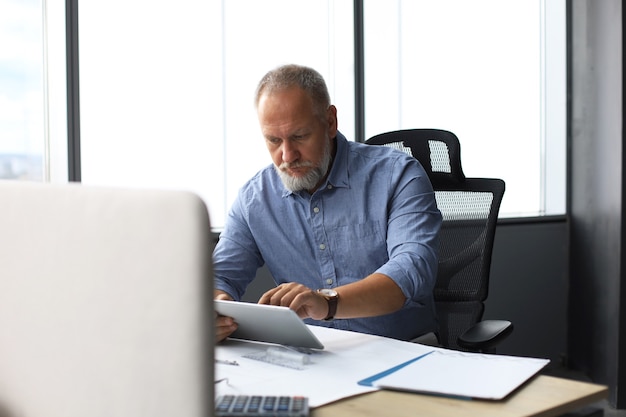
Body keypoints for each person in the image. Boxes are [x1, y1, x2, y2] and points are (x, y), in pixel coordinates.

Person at [214, 64, 442, 343]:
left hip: (403, 351)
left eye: (299, 136)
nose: (287, 155)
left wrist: (327, 302)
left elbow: (411, 269)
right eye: (273, 140)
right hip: (313, 357)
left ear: (330, 122)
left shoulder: (398, 175)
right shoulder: (254, 199)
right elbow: (220, 276)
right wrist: (215, 309)